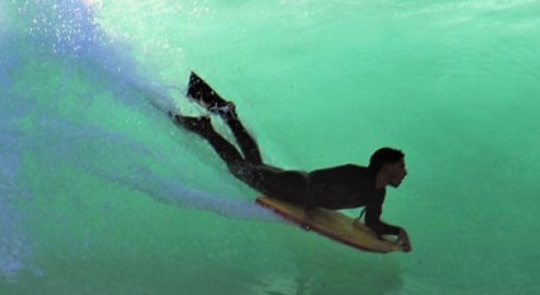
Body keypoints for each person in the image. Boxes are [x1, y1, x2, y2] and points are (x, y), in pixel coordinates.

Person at [174, 72, 412, 252]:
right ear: (386, 166)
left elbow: (372, 223)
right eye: (401, 166)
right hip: (288, 185)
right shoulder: (355, 174)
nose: (405, 172)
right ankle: (206, 130)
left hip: (294, 190)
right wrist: (308, 212)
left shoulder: (377, 194)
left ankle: (228, 115)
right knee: (240, 169)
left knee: (254, 162)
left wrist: (396, 231)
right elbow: (317, 177)